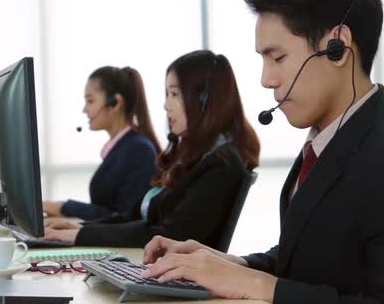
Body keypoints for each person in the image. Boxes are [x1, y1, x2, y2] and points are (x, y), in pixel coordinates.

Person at [141, 0, 384, 303]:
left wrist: (262, 287)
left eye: (278, 57)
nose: (266, 79)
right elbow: (308, 261)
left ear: (338, 47)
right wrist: (227, 264)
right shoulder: (327, 143)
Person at [42, 50, 260, 248]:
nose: (166, 105)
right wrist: (81, 229)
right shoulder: (194, 158)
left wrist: (81, 236)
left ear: (204, 101)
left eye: (174, 94)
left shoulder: (220, 164)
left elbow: (170, 235)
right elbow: (134, 217)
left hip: (177, 280)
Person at [43, 66, 161, 221]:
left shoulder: (139, 150)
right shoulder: (121, 148)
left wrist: (64, 207)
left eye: (90, 101)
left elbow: (126, 218)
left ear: (115, 103)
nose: (85, 109)